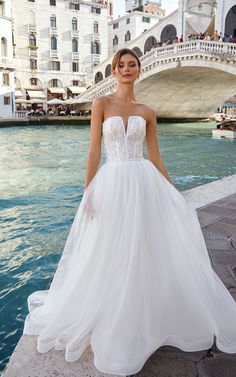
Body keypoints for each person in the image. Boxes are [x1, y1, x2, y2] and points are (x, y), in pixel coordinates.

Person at [23, 48, 236, 375]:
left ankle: (143, 309)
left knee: (143, 247)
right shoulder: (101, 104)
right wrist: (88, 191)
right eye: (121, 65)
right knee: (109, 247)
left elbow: (155, 156)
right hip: (111, 182)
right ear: (114, 70)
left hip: (142, 182)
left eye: (131, 65)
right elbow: (94, 148)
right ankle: (113, 306)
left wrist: (172, 191)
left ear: (138, 70)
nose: (126, 69)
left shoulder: (148, 111)